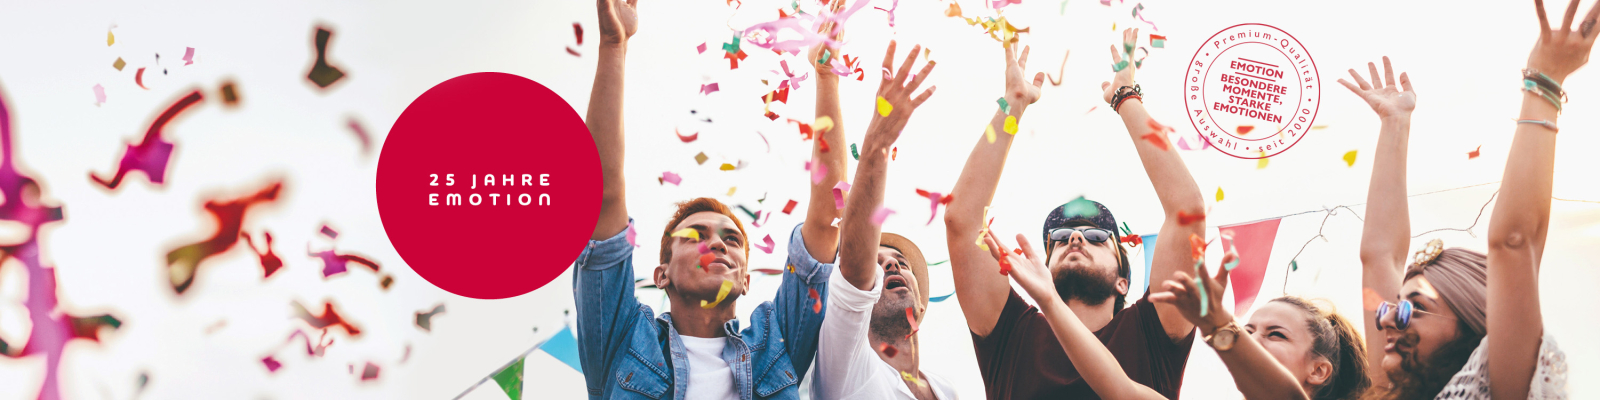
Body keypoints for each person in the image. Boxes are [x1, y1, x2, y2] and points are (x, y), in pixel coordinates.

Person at [569, 0, 837, 397]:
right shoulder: (624, 339)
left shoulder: (775, 344)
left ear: (746, 281)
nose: (716, 243)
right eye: (695, 235)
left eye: (731, 239)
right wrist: (614, 45)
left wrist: (826, 74)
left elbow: (828, 214)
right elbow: (602, 195)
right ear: (661, 275)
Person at [943, 28, 1204, 399]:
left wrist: (1125, 96)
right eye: (1060, 239)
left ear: (1123, 283)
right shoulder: (1011, 332)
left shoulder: (1151, 329)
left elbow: (1187, 211)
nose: (1076, 237)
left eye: (1097, 237)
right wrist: (1012, 105)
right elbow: (961, 221)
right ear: (1043, 271)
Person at [1348, 0, 1588, 395]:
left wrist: (1545, 80)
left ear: (1480, 323)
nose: (1389, 319)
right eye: (1394, 307)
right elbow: (1379, 255)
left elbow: (1514, 242)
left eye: (1415, 309)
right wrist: (1394, 124)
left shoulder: (1503, 385)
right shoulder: (1392, 389)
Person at [809, 31, 956, 398]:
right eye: (879, 263)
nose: (891, 266)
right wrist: (877, 145)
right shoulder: (847, 366)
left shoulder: (949, 390)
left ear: (922, 303)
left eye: (900, 261)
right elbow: (856, 270)